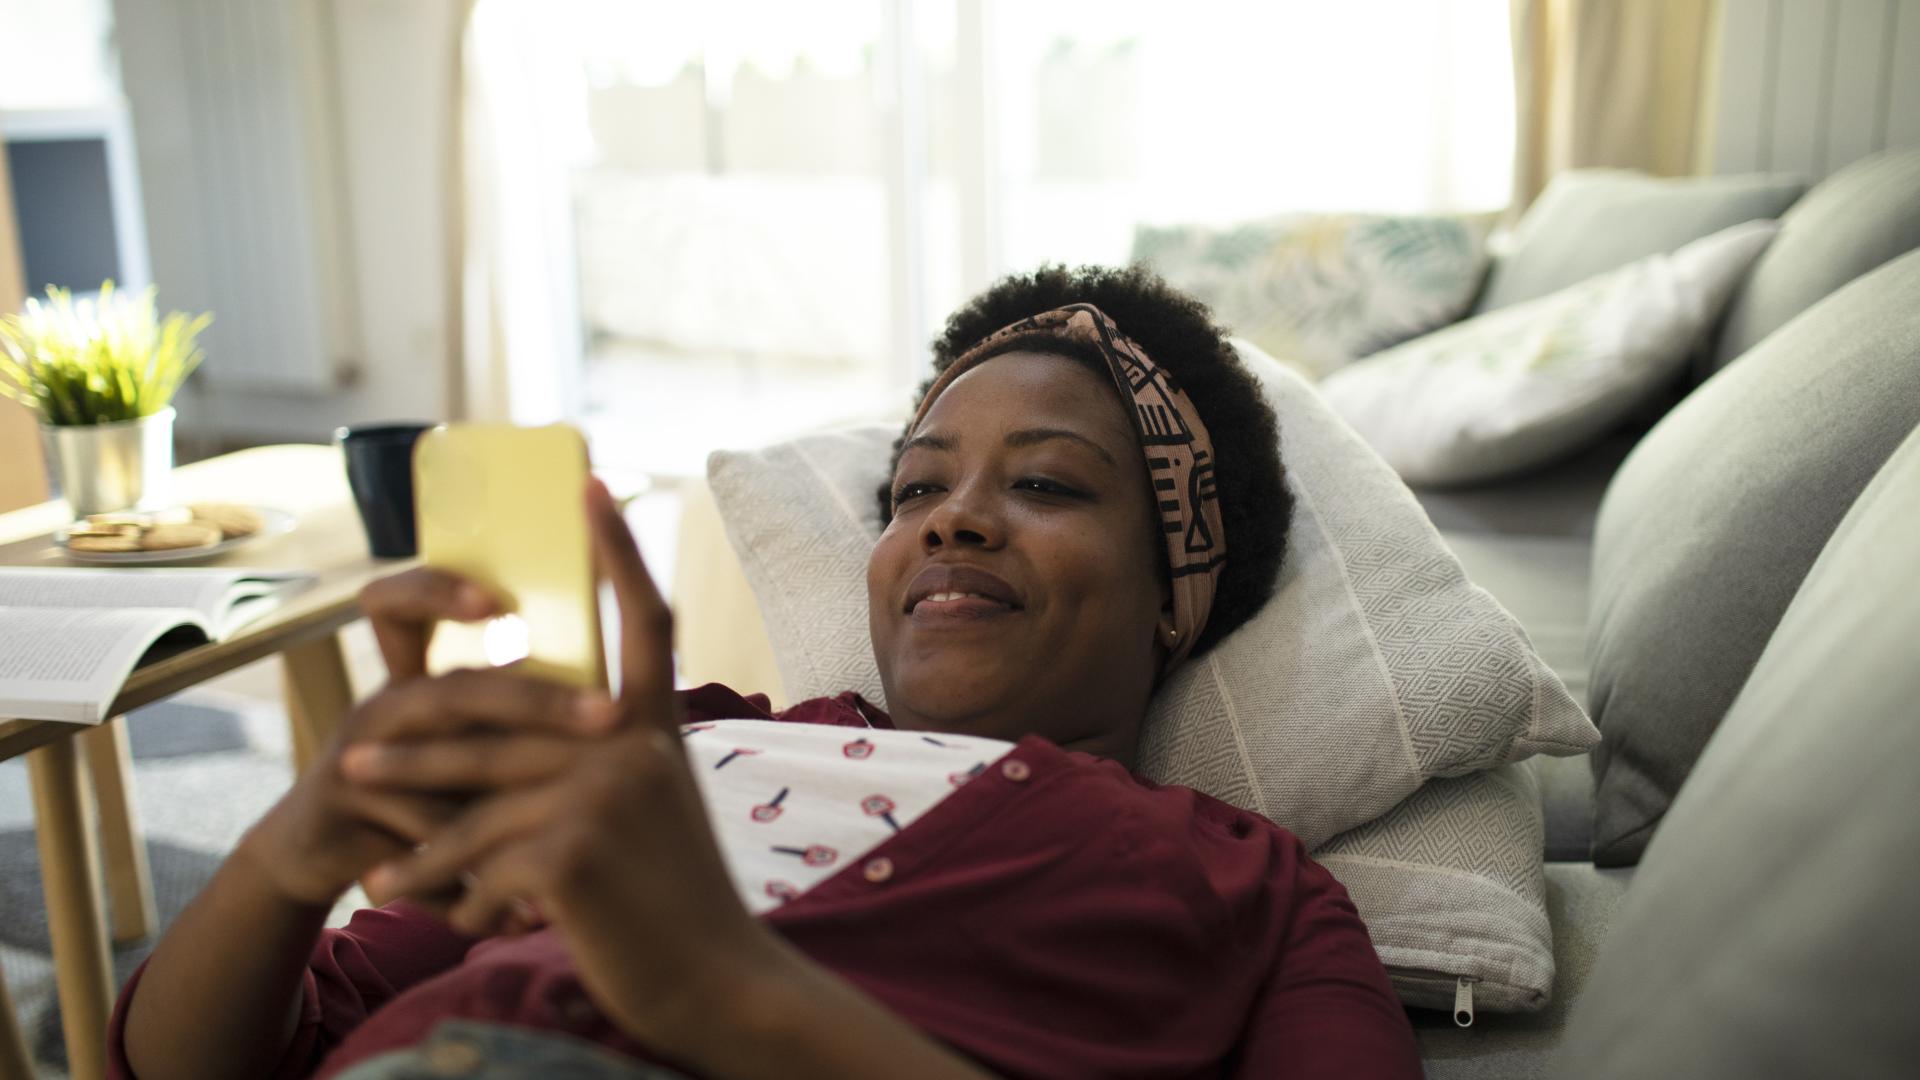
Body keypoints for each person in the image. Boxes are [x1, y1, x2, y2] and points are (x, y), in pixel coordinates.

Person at [110, 265, 1422, 1079]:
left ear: (1173, 594)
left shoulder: (1246, 882)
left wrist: (720, 991)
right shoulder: (668, 749)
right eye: (913, 492)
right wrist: (295, 847)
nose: (948, 523)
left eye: (1043, 482)